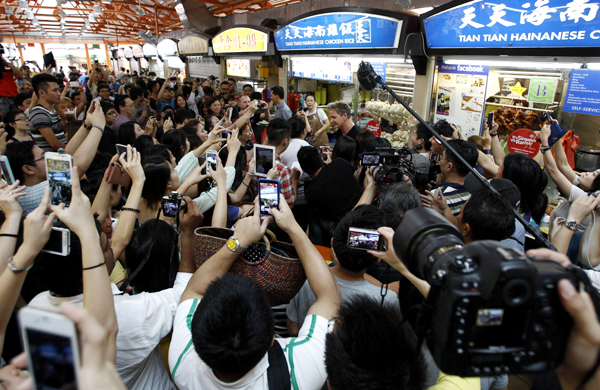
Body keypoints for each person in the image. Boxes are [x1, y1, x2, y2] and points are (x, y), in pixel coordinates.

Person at [168, 197, 341, 390]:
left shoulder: (182, 364)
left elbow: (194, 289)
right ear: (271, 340)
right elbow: (329, 298)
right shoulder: (301, 372)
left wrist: (237, 242)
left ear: (196, 332)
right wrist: (293, 228)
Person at [287, 205, 398, 335]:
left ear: (332, 243)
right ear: (378, 259)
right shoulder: (387, 299)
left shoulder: (307, 281)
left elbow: (293, 328)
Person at [297, 146, 363, 246]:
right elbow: (357, 178)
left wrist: (294, 179)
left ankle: (318, 249)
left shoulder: (312, 191)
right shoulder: (340, 163)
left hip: (343, 224)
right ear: (321, 158)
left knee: (314, 215)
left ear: (303, 169)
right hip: (362, 210)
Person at [424, 139, 478, 217]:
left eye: (442, 157)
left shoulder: (436, 197)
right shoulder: (472, 196)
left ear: (449, 166)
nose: (439, 162)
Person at [28, 74, 68, 152]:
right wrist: (73, 152)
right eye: (54, 90)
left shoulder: (52, 110)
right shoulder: (39, 114)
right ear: (42, 93)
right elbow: (55, 144)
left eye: (58, 90)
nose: (59, 93)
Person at [0, 45, 23, 115]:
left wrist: (10, 64)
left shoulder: (7, 66)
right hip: (3, 98)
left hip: (14, 96)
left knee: (16, 116)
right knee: (6, 118)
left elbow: (20, 75)